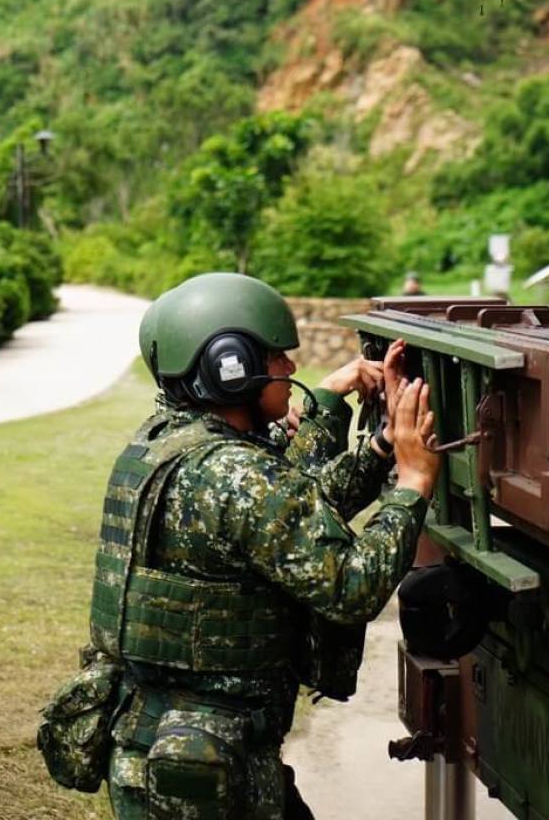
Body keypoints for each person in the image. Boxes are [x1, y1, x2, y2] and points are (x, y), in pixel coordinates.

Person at [87, 272, 439, 819]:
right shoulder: (234, 471)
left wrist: (381, 446)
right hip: (205, 767)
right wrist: (413, 483)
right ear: (229, 366)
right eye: (277, 357)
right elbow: (350, 585)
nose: (292, 370)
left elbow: (286, 518)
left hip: (165, 746)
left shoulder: (166, 442)